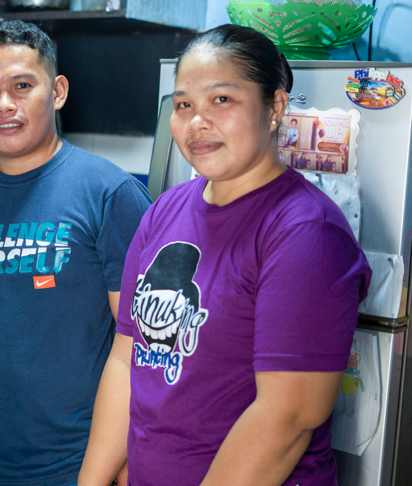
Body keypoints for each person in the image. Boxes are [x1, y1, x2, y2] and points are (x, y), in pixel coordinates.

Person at [78, 24, 371, 486]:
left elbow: (286, 418)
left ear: (274, 107)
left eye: (221, 100)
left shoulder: (305, 232)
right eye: (183, 105)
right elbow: (126, 360)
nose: (196, 122)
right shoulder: (164, 212)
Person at [0, 19, 152, 486]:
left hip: (76, 465)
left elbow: (143, 347)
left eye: (22, 85)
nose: (3, 104)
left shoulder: (109, 192)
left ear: (58, 91)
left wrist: (125, 458)